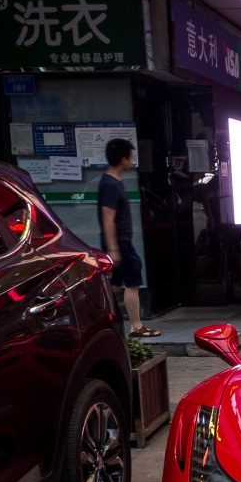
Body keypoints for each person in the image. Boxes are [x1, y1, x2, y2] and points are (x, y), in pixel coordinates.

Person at [97, 138, 159, 338]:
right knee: (132, 281)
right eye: (131, 157)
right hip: (120, 242)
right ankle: (136, 326)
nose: (132, 160)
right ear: (123, 159)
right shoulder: (110, 185)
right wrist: (113, 249)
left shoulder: (113, 182)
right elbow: (108, 219)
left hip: (120, 241)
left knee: (114, 284)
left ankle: (93, 316)